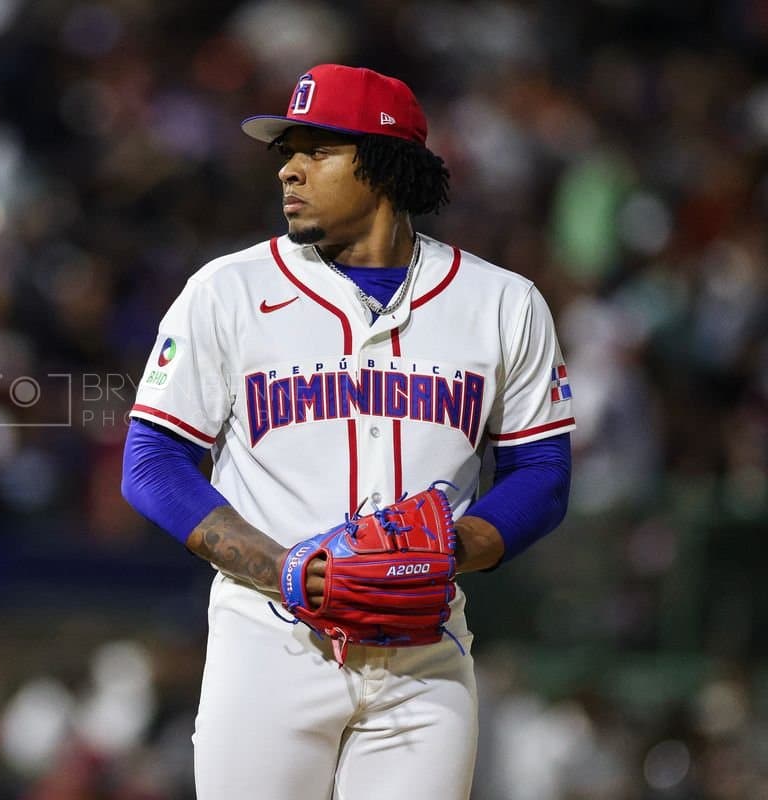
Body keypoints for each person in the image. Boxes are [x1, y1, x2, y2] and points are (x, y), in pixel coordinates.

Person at [121, 63, 574, 799]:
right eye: (287, 151)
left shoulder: (503, 303)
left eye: (318, 148)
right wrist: (284, 568)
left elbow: (543, 476)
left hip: (425, 656)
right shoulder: (228, 291)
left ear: (387, 165)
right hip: (270, 643)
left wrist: (439, 554)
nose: (289, 171)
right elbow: (150, 464)